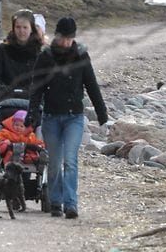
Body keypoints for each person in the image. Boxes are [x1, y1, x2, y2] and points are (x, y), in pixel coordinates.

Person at [26, 17, 108, 219]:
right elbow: (36, 88)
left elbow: (91, 85)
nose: (66, 43)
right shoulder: (46, 56)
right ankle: (56, 201)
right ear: (57, 36)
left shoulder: (81, 55)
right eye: (63, 38)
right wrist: (33, 112)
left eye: (70, 38)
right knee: (54, 162)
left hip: (74, 118)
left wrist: (101, 112)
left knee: (70, 161)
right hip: (52, 117)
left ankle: (71, 204)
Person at [0, 9, 45, 103]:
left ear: (31, 29)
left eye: (25, 27)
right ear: (13, 28)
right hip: (6, 100)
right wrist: (0, 87)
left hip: (33, 102)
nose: (21, 31)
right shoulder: (1, 50)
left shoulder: (41, 53)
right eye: (18, 27)